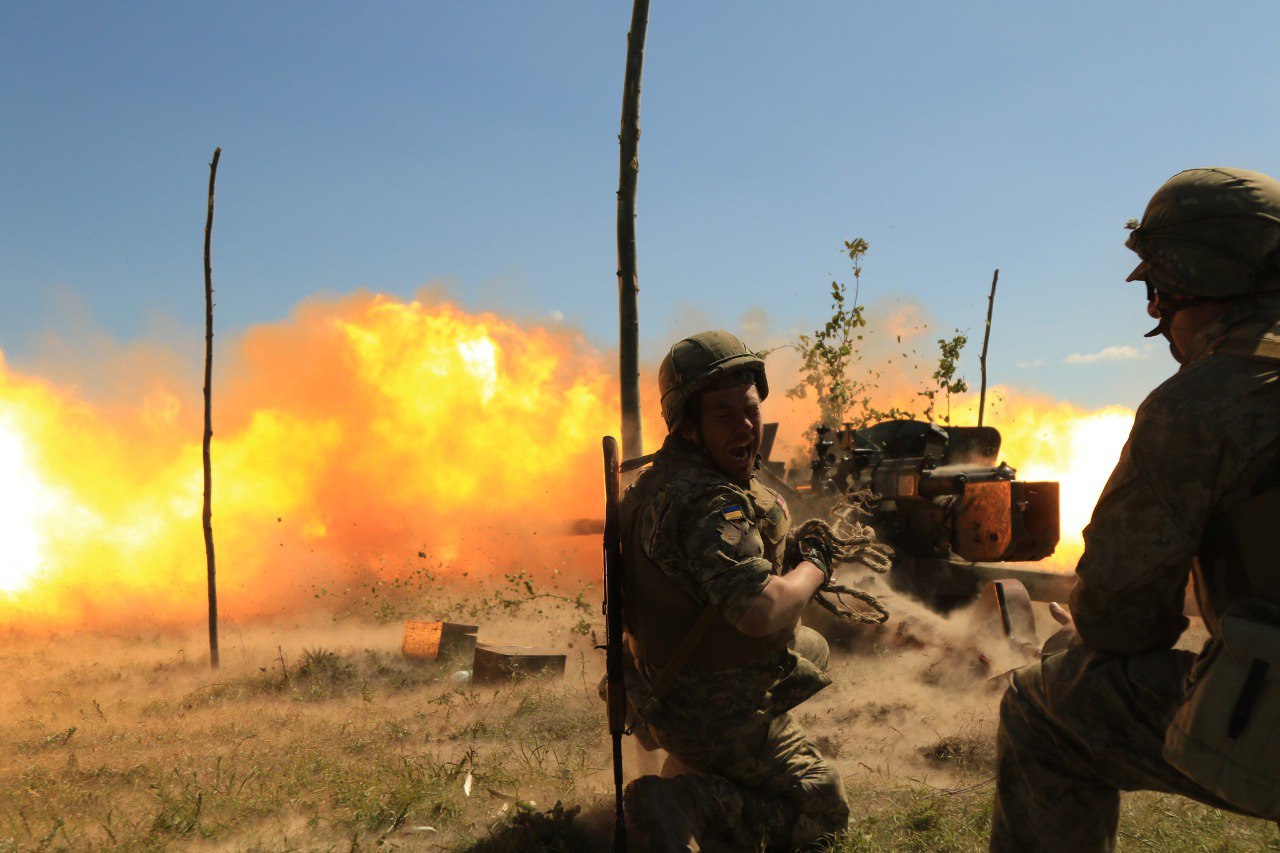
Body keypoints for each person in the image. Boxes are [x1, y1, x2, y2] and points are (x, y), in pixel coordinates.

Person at [990, 167, 1280, 851]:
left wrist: (1077, 638)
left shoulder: (1201, 401)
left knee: (1045, 706)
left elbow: (1119, 618)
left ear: (1194, 279)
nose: (1155, 316)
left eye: (1157, 291)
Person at [619, 331, 873, 852]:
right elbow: (761, 612)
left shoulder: (659, 482)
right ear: (689, 425)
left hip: (664, 691)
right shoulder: (712, 505)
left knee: (813, 649)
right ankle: (689, 803)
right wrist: (818, 566)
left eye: (750, 411)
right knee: (824, 807)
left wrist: (791, 557)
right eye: (724, 414)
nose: (745, 427)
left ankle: (697, 773)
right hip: (710, 711)